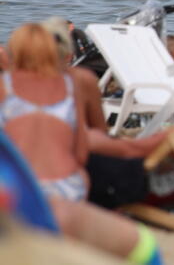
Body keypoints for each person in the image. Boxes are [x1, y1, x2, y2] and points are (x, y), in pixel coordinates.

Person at [0, 23, 162, 263]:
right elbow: (81, 155)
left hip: (19, 194)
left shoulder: (5, 86)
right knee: (145, 246)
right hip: (66, 192)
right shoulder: (71, 84)